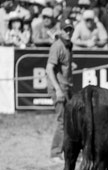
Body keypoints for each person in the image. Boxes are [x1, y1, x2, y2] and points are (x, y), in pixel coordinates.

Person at [47, 18, 74, 162]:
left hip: (66, 86)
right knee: (62, 121)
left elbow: (61, 64)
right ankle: (55, 152)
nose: (68, 32)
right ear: (61, 30)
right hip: (59, 88)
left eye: (70, 29)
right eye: (66, 29)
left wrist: (70, 65)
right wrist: (57, 89)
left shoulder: (68, 45)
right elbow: (49, 68)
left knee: (70, 120)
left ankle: (68, 151)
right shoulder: (57, 46)